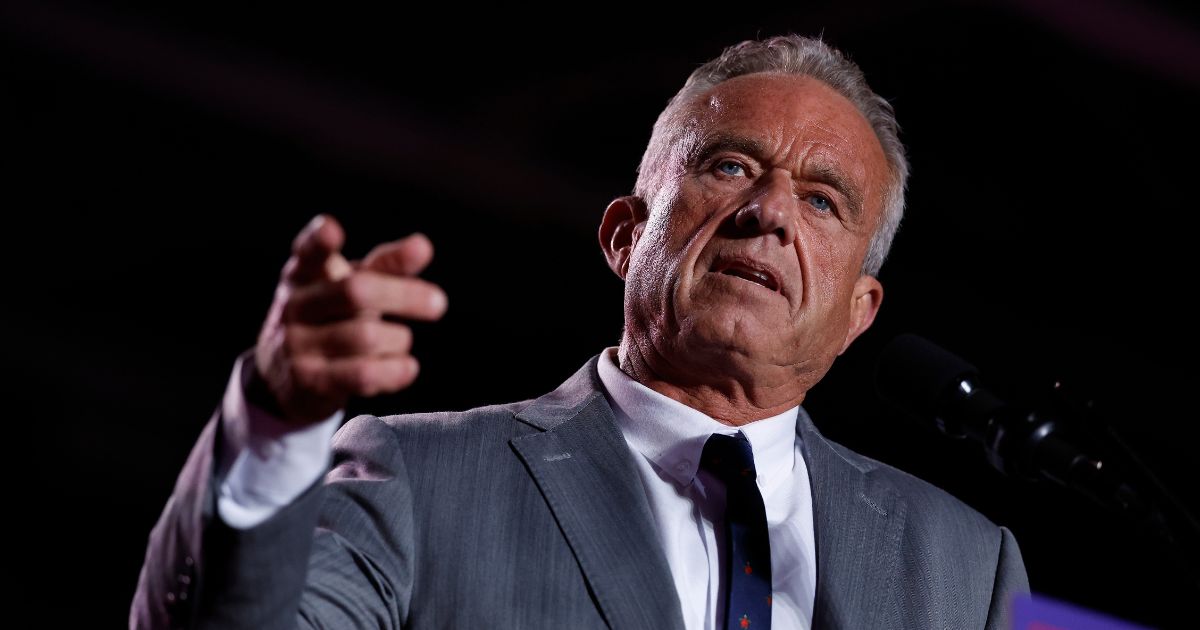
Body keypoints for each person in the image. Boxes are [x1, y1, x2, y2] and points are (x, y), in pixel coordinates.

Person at [131, 34, 1028, 629]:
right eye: (729, 165)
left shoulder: (965, 568)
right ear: (625, 236)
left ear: (858, 312)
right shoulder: (418, 481)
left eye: (822, 199)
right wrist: (275, 424)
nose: (769, 213)